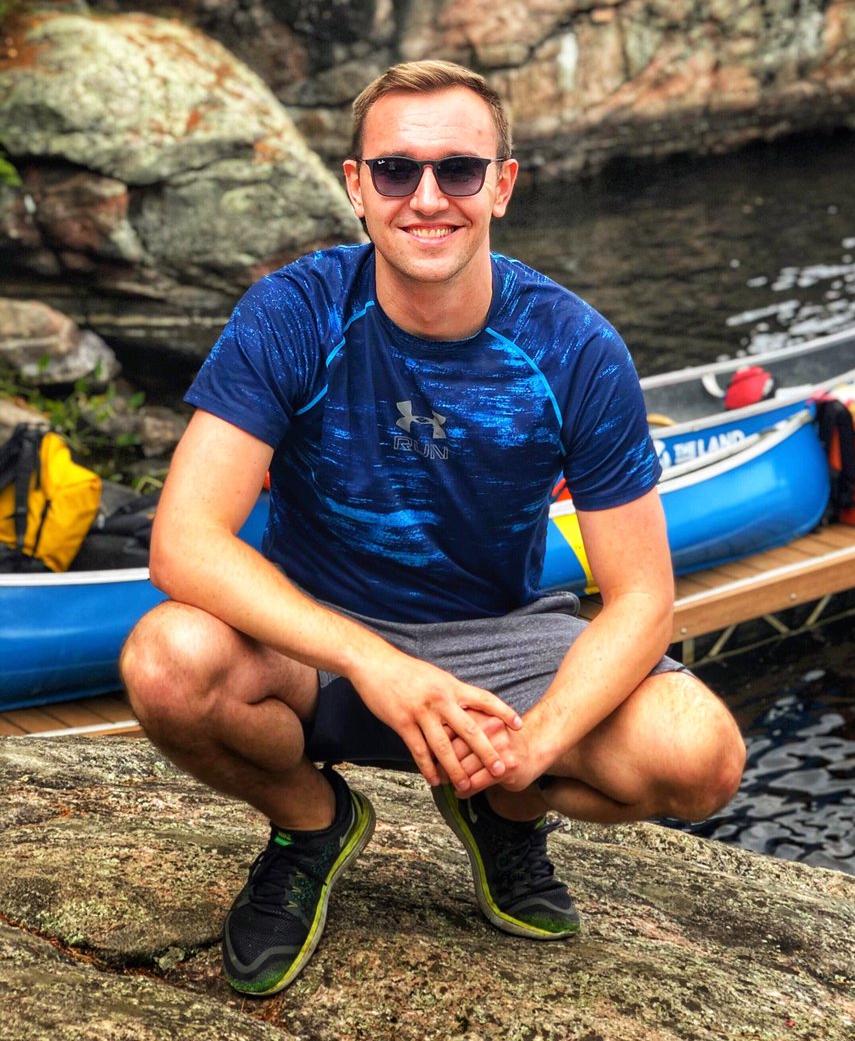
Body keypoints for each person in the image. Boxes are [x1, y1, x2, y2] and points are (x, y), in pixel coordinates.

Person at [120, 59, 746, 998]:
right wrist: (374, 660)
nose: (427, 198)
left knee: (700, 756)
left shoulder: (573, 346)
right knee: (165, 661)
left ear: (502, 183)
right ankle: (312, 823)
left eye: (457, 170)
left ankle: (503, 809)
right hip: (318, 645)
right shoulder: (295, 313)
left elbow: (644, 596)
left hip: (499, 642)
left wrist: (531, 753)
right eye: (396, 171)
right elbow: (186, 543)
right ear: (355, 186)